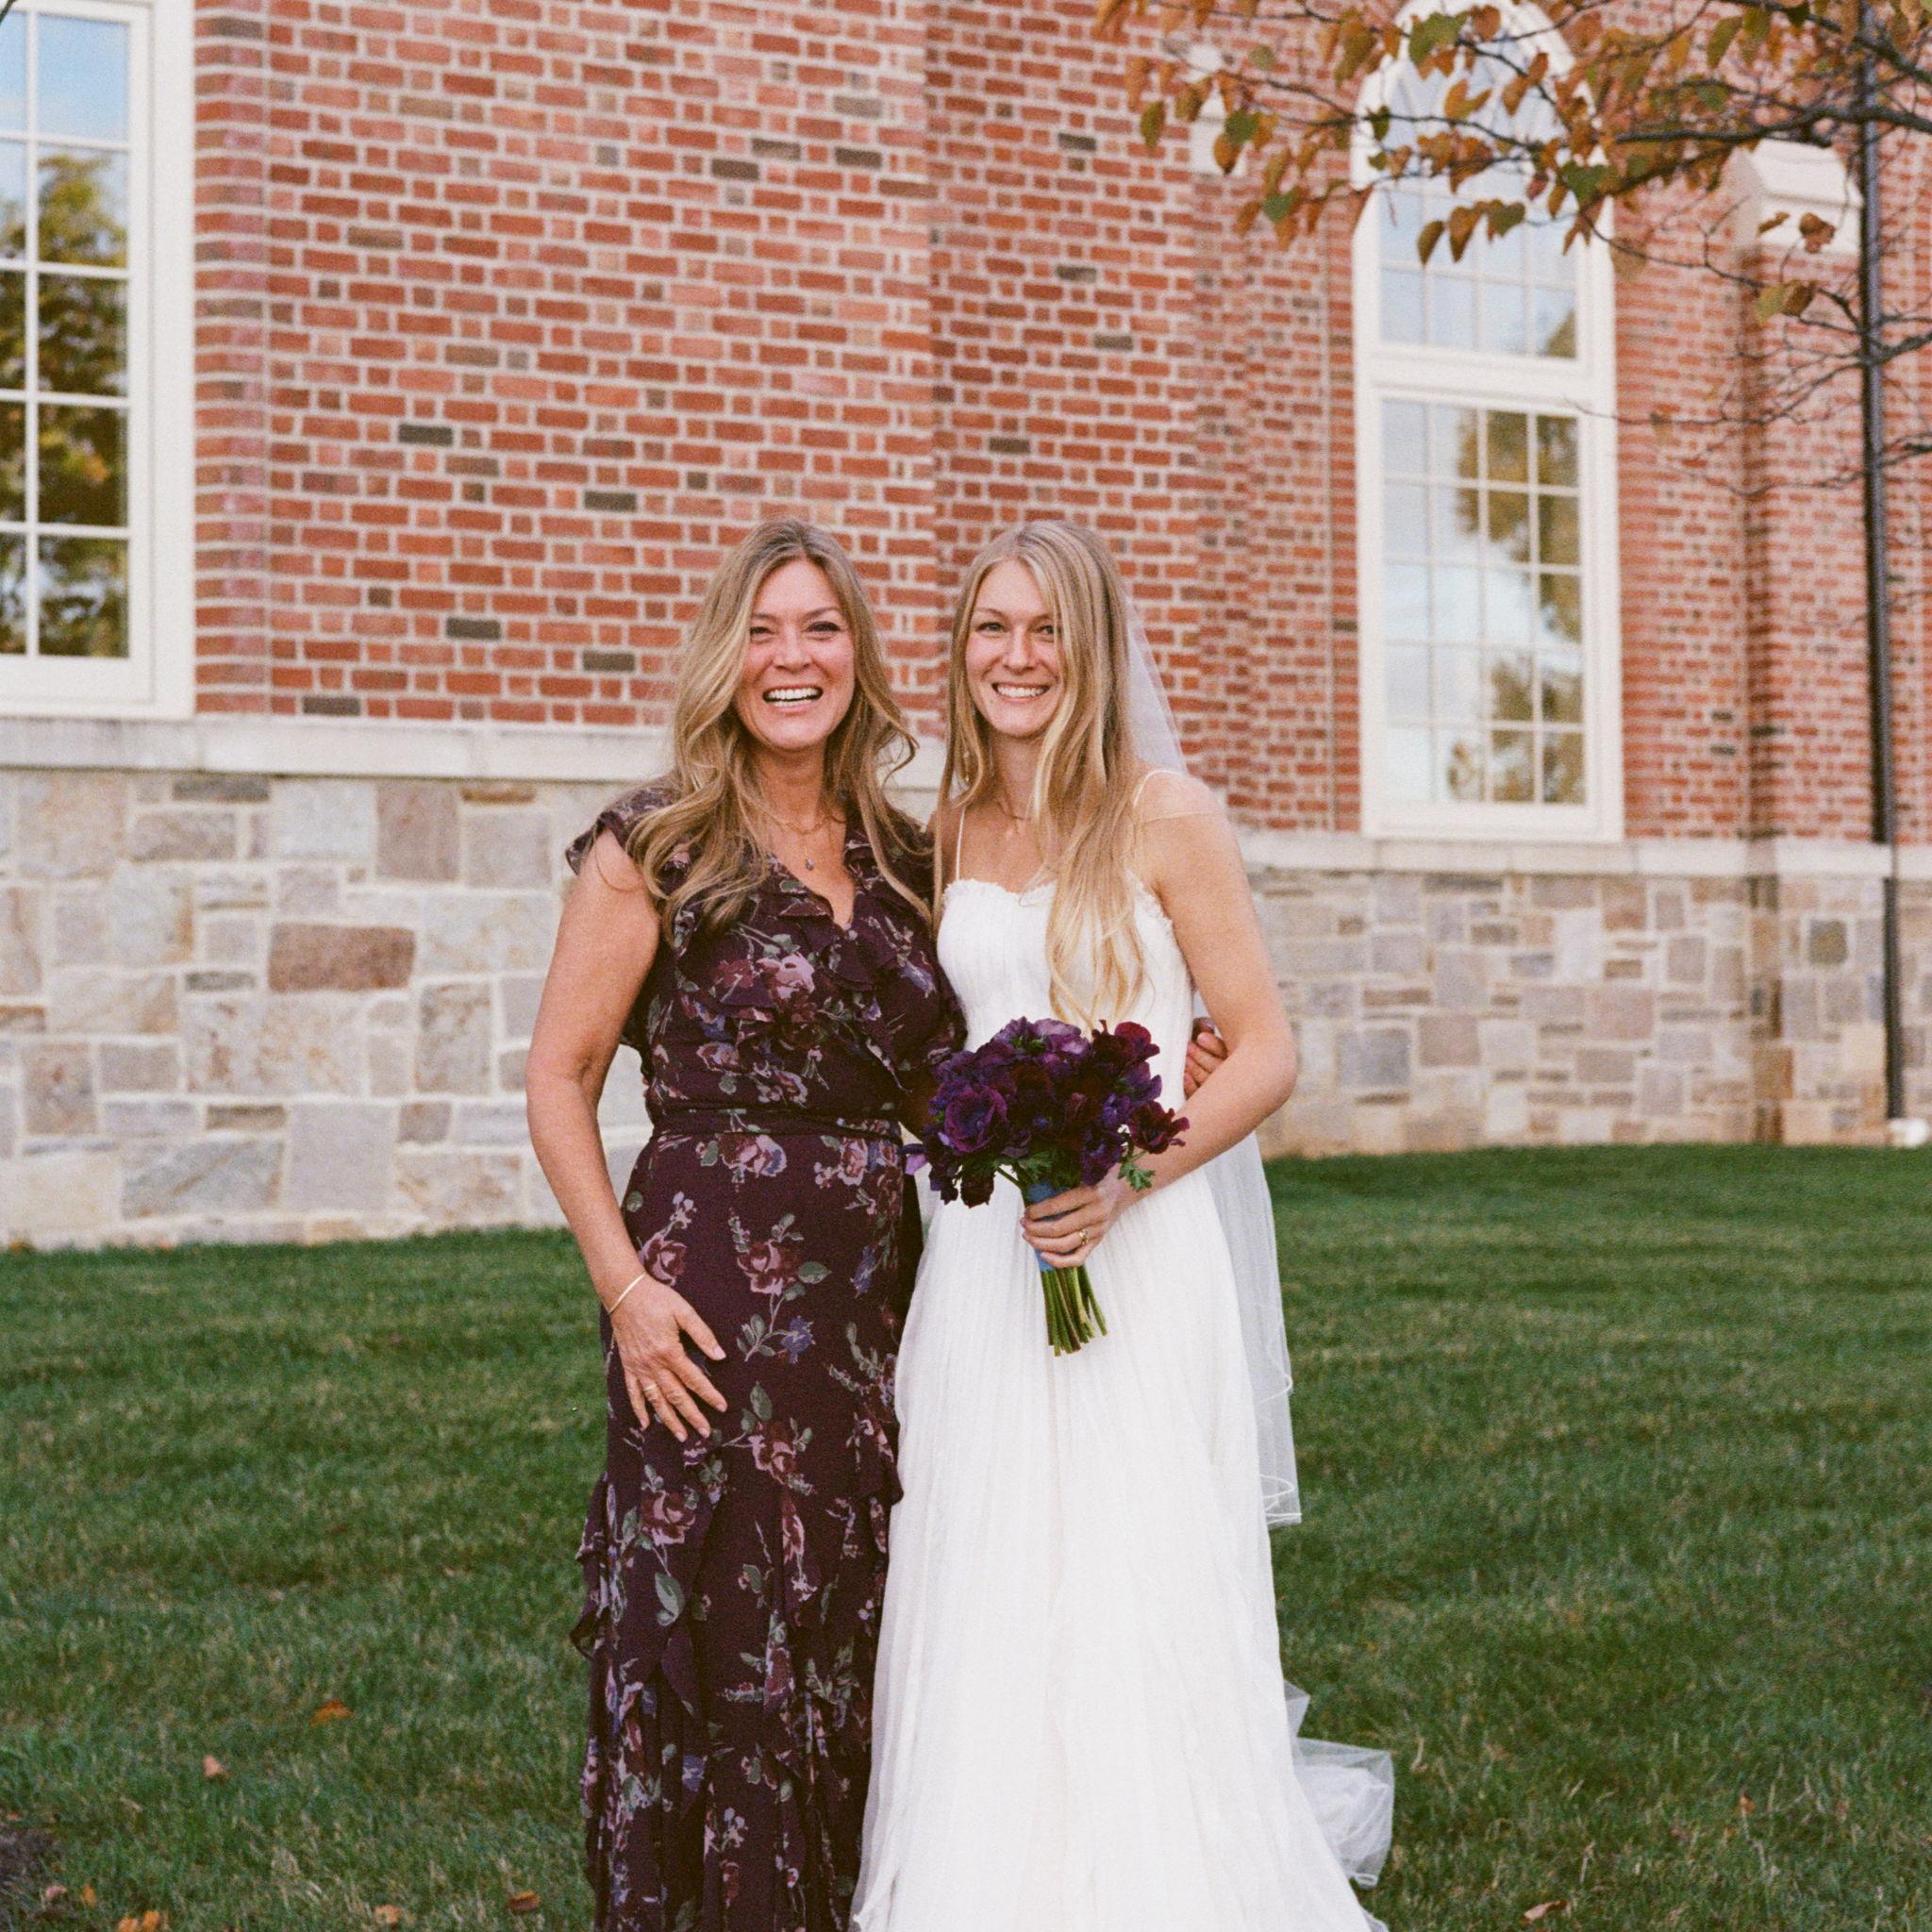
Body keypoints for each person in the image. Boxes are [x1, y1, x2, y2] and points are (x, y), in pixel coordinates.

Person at [855, 522, 1395, 1932]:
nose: (1016, 657)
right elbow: (929, 1046)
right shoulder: (942, 832)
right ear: (961, 648)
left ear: (1093, 648)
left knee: (1130, 1562)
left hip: (1139, 1250)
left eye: (1047, 630)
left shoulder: (1167, 817)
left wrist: (1125, 1180)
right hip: (983, 1257)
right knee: (982, 1558)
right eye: (991, 627)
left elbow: (1264, 1051)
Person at [525, 520, 962, 1932]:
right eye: (765, 630)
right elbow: (559, 1079)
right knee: (721, 1629)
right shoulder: (655, 846)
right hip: (702, 1301)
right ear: (726, 657)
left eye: (822, 628)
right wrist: (625, 1293)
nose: (794, 658)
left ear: (859, 658)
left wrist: (1161, 1069)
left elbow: (960, 1077)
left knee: (853, 1613)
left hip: (878, 1305)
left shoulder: (910, 857)